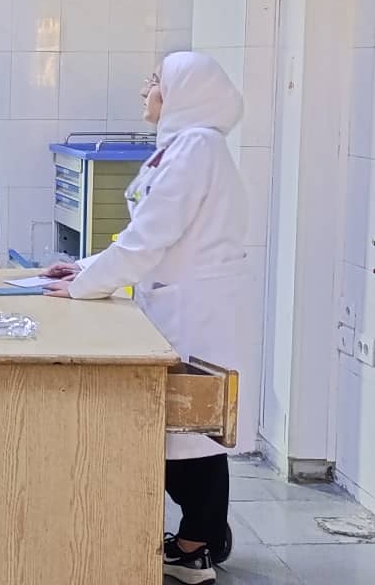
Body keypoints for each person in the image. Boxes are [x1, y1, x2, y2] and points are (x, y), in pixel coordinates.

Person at [44, 51, 247, 585]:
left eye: (155, 81)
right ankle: (203, 536)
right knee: (183, 430)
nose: (144, 89)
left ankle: (197, 548)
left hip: (194, 312)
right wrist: (85, 268)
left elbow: (149, 240)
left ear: (183, 93)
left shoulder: (196, 149)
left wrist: (84, 285)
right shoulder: (181, 148)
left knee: (190, 432)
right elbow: (145, 237)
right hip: (177, 302)